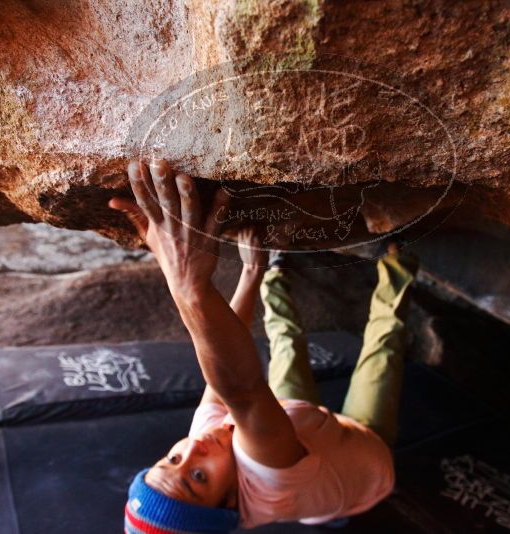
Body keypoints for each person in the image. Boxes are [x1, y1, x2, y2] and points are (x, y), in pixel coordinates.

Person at [109, 159, 419, 533]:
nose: (191, 450)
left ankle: (273, 269)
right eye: (198, 477)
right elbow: (243, 390)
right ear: (228, 502)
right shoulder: (266, 483)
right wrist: (188, 289)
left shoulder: (203, 443)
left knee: (284, 345)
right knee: (383, 349)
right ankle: (397, 257)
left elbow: (225, 377)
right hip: (367, 456)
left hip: (303, 429)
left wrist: (250, 273)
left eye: (171, 458)